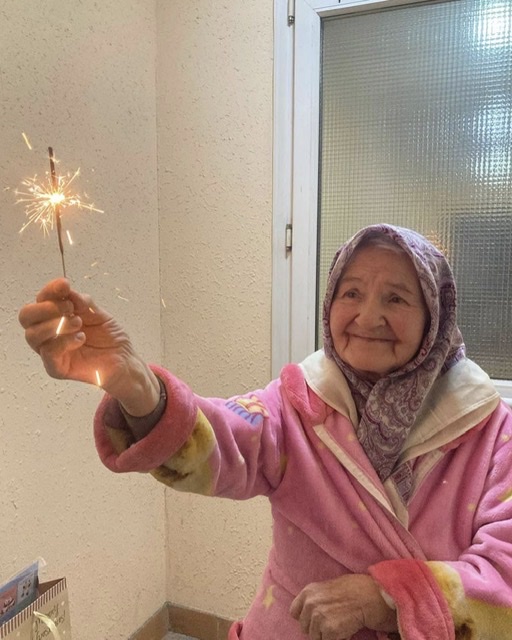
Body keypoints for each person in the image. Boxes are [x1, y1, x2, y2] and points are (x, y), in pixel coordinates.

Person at [19, 224, 512, 640]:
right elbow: (219, 440)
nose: (367, 316)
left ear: (435, 318)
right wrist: (135, 384)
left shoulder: (491, 431)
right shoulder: (297, 403)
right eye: (352, 293)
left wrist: (384, 598)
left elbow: (504, 579)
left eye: (396, 298)